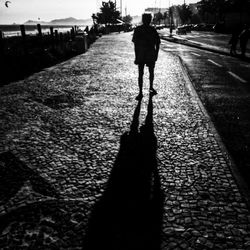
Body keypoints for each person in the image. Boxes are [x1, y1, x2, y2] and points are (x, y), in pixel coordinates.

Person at [132, 13, 160, 100]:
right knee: (151, 72)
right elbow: (158, 43)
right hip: (150, 54)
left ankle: (140, 92)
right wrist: (156, 54)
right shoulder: (152, 30)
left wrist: (136, 56)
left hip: (141, 54)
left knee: (141, 73)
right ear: (149, 20)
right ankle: (150, 87)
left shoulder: (138, 29)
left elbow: (135, 44)